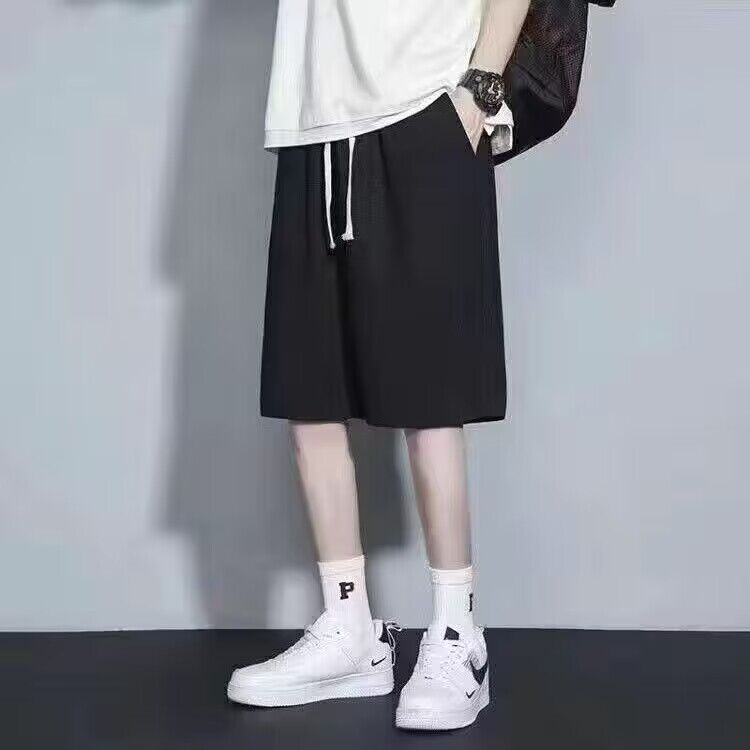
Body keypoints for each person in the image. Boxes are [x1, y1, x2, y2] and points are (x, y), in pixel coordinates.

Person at [226, 0, 531, 732]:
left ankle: (458, 636)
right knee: (310, 387)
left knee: (431, 395)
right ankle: (350, 631)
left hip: (426, 101)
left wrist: (480, 88)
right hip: (314, 115)